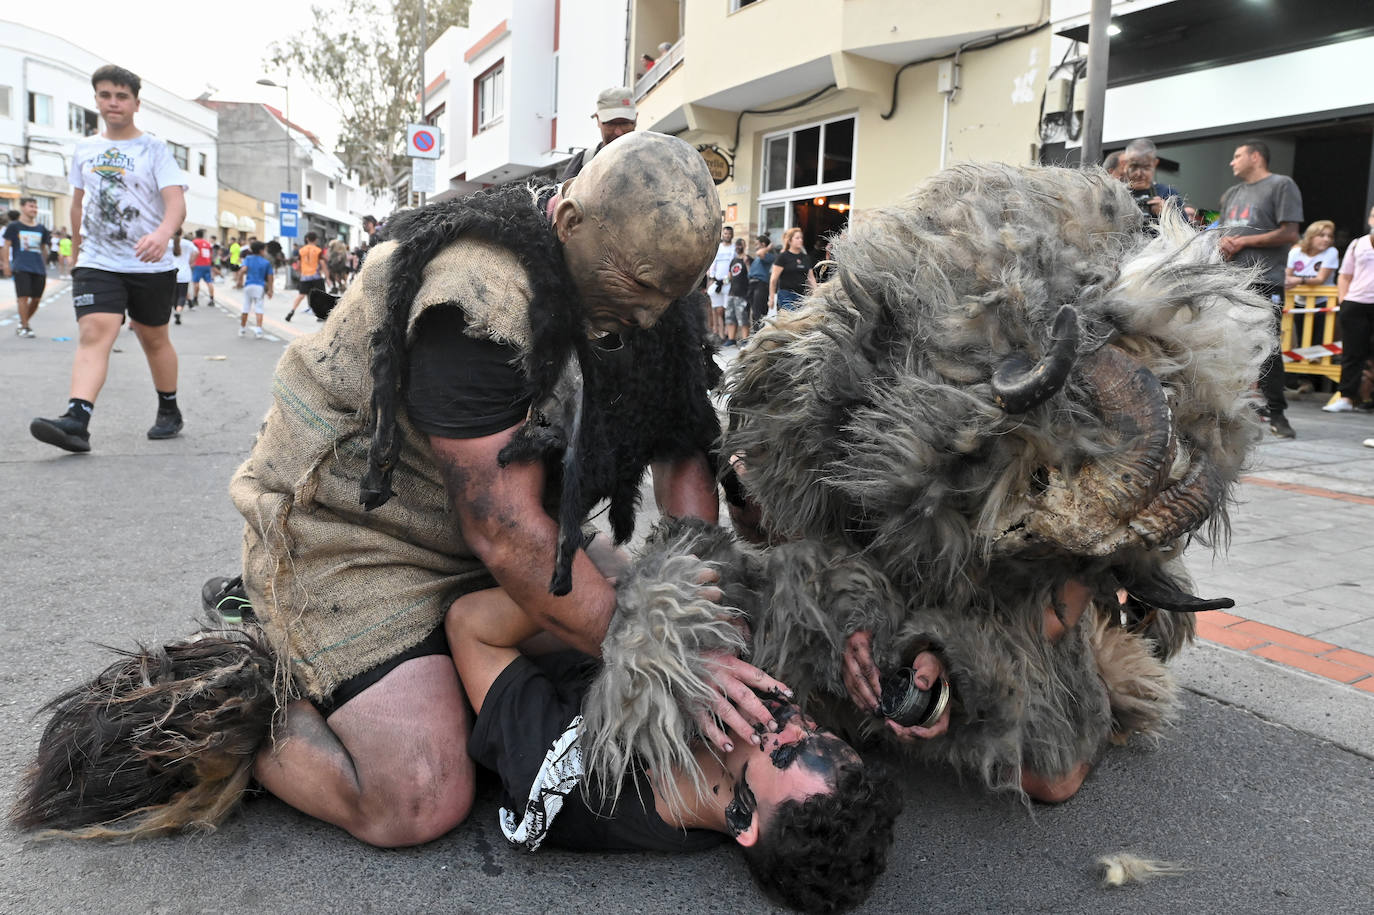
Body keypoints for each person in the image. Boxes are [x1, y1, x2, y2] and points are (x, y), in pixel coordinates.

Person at [446, 584, 900, 912]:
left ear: (744, 818)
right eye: (813, 728)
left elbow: (470, 624)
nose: (789, 717)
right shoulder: (738, 725)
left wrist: (649, 616)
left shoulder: (570, 780)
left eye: (781, 751)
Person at [28, 65, 187, 454]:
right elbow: (78, 205)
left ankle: (169, 409)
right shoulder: (85, 149)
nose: (112, 103)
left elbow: (175, 202)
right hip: (98, 261)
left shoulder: (153, 148)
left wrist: (162, 234)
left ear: (135, 102)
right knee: (95, 332)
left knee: (153, 337)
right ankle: (76, 421)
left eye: (121, 96)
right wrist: (79, 255)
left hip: (149, 263)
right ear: (96, 99)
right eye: (104, 95)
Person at [1218, 139, 1302, 439]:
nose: (1232, 162)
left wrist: (1242, 242)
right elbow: (1224, 230)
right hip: (1232, 279)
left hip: (1266, 279)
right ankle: (1234, 409)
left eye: (1237, 155)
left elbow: (1290, 232)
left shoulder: (1282, 185)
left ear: (1256, 157)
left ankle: (1277, 412)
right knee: (1229, 344)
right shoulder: (1232, 194)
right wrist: (1223, 242)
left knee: (1268, 346)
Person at [1325, 206, 1374, 414]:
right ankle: (1346, 397)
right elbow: (1344, 275)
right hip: (1356, 302)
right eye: (1373, 215)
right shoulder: (1357, 244)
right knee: (1351, 353)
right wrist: (1344, 301)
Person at [558, 87, 637, 182]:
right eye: (610, 124)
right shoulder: (583, 161)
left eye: (625, 123)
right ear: (597, 119)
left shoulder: (651, 159)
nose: (618, 132)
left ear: (636, 119)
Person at [1, 196, 52, 338]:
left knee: (36, 299)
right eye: (31, 206)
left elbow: (44, 248)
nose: (34, 209)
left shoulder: (41, 228)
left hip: (38, 268)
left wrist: (45, 261)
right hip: (21, 267)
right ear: (22, 207)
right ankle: (25, 327)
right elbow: (6, 246)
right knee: (22, 298)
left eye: (35, 207)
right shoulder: (14, 226)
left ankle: (23, 322)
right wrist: (6, 264)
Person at [1121, 138, 1183, 223]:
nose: (1139, 174)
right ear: (1125, 165)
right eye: (1134, 167)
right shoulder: (1118, 194)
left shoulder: (1168, 193)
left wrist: (1166, 213)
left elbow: (1185, 230)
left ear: (1155, 163)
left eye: (1146, 167)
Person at [236, 240, 275, 339]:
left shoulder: (248, 259)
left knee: (246, 307)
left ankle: (242, 328)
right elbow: (270, 277)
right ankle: (258, 331)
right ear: (261, 251)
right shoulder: (266, 262)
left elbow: (243, 270)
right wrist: (270, 290)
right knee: (259, 308)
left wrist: (239, 281)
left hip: (248, 285)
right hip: (259, 286)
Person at [770, 227, 815, 312]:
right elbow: (773, 279)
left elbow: (811, 278)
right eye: (797, 238)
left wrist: (817, 294)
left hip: (801, 296)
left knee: (799, 322)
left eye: (801, 238)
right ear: (790, 241)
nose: (800, 240)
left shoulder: (806, 258)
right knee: (790, 318)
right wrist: (771, 298)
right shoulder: (783, 257)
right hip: (786, 295)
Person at [284, 231, 323, 321]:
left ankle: (291, 311)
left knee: (301, 295)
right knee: (319, 295)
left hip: (305, 277)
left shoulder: (301, 251)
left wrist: (300, 272)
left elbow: (298, 265)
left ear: (307, 239)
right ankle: (319, 315)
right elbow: (322, 263)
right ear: (316, 240)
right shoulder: (318, 250)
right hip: (316, 276)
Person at [706, 224, 734, 341]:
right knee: (718, 310)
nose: (726, 235)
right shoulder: (718, 247)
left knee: (726, 309)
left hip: (728, 283)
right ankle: (720, 333)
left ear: (732, 235)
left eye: (729, 234)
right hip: (716, 282)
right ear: (722, 234)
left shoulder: (733, 249)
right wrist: (712, 278)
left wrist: (725, 281)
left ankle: (728, 333)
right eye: (725, 233)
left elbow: (734, 268)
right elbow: (712, 264)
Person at [724, 236, 750, 346]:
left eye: (741, 245)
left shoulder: (748, 259)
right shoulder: (734, 260)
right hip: (731, 293)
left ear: (745, 246)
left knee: (743, 318)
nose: (738, 247)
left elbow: (751, 275)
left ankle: (745, 340)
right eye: (737, 245)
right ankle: (731, 339)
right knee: (730, 317)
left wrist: (747, 263)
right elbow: (729, 276)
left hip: (742, 294)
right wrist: (721, 281)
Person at [746, 235, 774, 330]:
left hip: (761, 285)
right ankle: (755, 334)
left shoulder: (768, 256)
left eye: (757, 244)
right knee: (753, 311)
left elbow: (760, 253)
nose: (755, 246)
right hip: (752, 284)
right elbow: (751, 273)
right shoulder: (758, 258)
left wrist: (769, 247)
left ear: (763, 244)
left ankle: (759, 335)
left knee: (758, 312)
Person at [168, 227, 194, 325]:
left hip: (172, 272)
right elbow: (196, 252)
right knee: (182, 295)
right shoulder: (188, 243)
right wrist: (190, 262)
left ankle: (176, 310)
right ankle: (179, 311)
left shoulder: (169, 242)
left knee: (175, 295)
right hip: (184, 272)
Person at [189, 228, 214, 306]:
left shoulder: (194, 242)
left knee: (196, 282)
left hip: (198, 264)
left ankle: (195, 299)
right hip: (207, 264)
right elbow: (211, 254)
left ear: (196, 235)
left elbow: (192, 252)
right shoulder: (207, 243)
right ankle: (212, 299)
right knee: (209, 282)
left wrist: (191, 262)